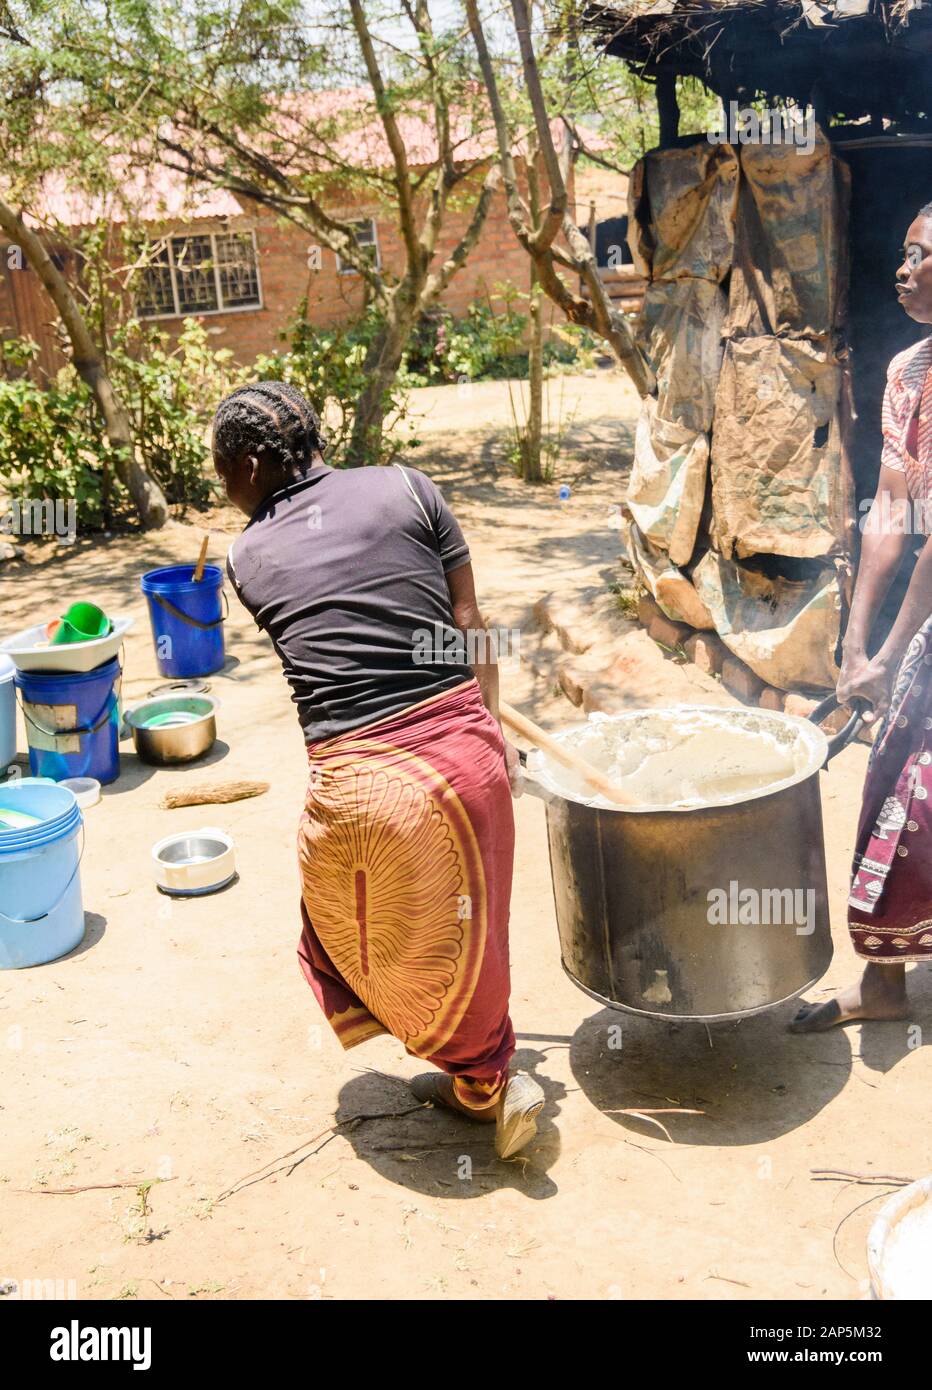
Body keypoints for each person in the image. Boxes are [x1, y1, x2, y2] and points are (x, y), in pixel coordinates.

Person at [212, 380, 544, 1155]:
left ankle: (486, 1080)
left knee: (345, 926)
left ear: (254, 464)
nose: (225, 492)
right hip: (470, 764)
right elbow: (472, 628)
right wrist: (492, 735)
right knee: (476, 930)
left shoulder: (245, 555)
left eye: (224, 475)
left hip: (365, 784)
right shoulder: (408, 486)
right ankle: (482, 1072)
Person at [792, 201, 932, 1031]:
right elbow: (892, 510)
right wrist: (856, 645)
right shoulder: (908, 374)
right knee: (893, 781)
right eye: (904, 252)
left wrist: (899, 649)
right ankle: (885, 986)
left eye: (922, 256)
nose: (903, 269)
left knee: (910, 785)